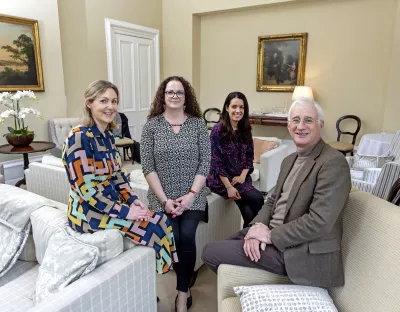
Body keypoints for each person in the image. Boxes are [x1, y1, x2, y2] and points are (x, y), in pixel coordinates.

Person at [202, 98, 351, 288]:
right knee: (228, 242)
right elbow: (272, 201)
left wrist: (271, 236)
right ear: (289, 125)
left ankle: (275, 288)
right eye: (295, 120)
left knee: (210, 252)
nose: (301, 126)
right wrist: (257, 227)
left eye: (308, 120)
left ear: (321, 124)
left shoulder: (333, 163)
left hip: (300, 251)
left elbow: (319, 222)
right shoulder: (289, 160)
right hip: (274, 235)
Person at [62, 80, 178, 276]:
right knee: (153, 228)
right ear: (89, 103)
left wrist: (135, 202)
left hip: (110, 204)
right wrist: (126, 212)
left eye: (114, 101)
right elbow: (87, 191)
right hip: (87, 212)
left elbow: (117, 177)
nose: (110, 107)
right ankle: (155, 277)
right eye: (104, 101)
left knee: (161, 219)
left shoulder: (107, 135)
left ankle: (164, 273)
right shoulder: (79, 139)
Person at [140, 76, 210, 312]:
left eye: (179, 92)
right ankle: (185, 287)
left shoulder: (198, 124)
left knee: (186, 237)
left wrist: (191, 195)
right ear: (163, 96)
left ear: (186, 96)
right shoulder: (151, 126)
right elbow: (147, 167)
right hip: (162, 198)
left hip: (193, 195)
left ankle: (181, 294)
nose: (175, 96)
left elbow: (205, 162)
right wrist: (165, 200)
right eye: (170, 92)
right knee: (173, 238)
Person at [207, 91, 264, 229]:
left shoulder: (245, 129)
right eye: (234, 107)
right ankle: (249, 236)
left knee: (248, 212)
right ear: (227, 108)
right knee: (258, 198)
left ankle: (247, 237)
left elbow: (250, 156)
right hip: (221, 180)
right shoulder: (217, 130)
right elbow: (215, 162)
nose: (238, 111)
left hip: (240, 178)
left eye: (241, 107)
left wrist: (243, 176)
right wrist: (229, 187)